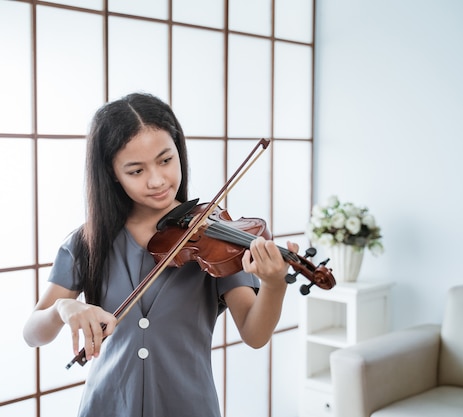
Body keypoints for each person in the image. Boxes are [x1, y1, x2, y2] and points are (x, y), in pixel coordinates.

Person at [23, 92, 298, 417]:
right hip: (106, 406)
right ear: (111, 172)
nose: (157, 180)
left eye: (166, 160)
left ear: (179, 151)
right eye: (136, 171)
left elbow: (255, 334)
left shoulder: (215, 233)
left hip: (188, 406)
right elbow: (32, 333)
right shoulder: (86, 242)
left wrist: (274, 284)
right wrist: (61, 308)